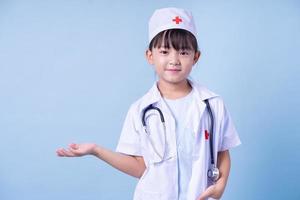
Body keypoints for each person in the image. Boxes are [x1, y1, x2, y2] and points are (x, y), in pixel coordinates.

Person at [56, 7, 241, 200]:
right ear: (150, 56)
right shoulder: (140, 110)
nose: (174, 60)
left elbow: (221, 153)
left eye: (184, 52)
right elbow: (141, 168)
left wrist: (220, 186)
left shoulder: (212, 104)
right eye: (164, 51)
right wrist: (96, 150)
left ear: (196, 57)